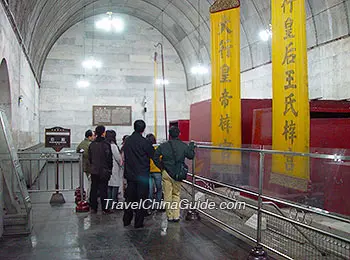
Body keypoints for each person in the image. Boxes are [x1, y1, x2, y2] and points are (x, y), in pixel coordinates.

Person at [153, 126, 195, 222]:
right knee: (176, 194)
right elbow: (191, 156)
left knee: (167, 195)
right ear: (179, 134)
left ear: (169, 134)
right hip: (177, 173)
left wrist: (161, 167)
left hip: (166, 173)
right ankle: (176, 216)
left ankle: (170, 216)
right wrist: (191, 147)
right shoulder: (183, 145)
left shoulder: (163, 145)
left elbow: (155, 156)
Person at [123, 120, 154, 228]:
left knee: (129, 198)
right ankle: (138, 222)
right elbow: (152, 155)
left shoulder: (127, 141)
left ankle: (126, 219)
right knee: (141, 199)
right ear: (143, 129)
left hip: (130, 174)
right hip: (142, 175)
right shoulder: (145, 142)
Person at [88, 125, 113, 214]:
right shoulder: (106, 144)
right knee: (104, 190)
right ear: (103, 133)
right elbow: (109, 158)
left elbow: (90, 158)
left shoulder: (92, 145)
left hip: (94, 170)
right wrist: (110, 169)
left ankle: (93, 207)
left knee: (94, 189)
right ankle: (104, 208)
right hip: (104, 170)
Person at [76, 130, 94, 203]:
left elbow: (77, 150)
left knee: (89, 181)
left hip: (84, 165)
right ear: (89, 137)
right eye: (92, 136)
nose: (93, 137)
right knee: (91, 183)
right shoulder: (90, 144)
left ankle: (89, 196)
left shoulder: (81, 143)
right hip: (91, 166)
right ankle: (89, 197)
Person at [106, 130, 123, 208]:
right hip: (114, 168)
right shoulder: (113, 146)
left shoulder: (105, 144)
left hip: (107, 167)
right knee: (115, 185)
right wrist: (121, 163)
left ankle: (109, 203)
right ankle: (114, 203)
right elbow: (118, 158)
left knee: (109, 186)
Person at [146, 133, 162, 213]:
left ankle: (150, 206)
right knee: (159, 189)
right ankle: (158, 205)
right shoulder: (158, 148)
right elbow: (161, 159)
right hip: (158, 171)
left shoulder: (146, 148)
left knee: (150, 190)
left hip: (148, 171)